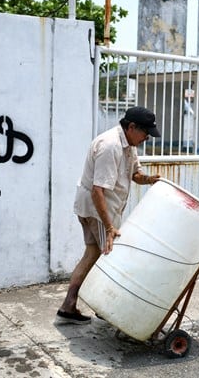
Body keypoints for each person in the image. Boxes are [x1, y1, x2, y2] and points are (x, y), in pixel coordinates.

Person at [55, 106, 161, 325]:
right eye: (145, 133)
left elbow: (134, 174)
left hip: (97, 209)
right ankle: (106, 308)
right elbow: (98, 191)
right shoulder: (110, 145)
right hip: (98, 210)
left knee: (92, 255)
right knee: (112, 258)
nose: (146, 138)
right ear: (132, 127)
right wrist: (110, 226)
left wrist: (149, 179)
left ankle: (68, 306)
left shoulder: (128, 144)